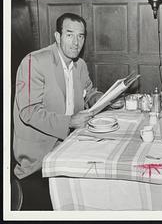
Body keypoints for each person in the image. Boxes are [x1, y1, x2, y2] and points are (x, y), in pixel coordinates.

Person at [13, 13, 102, 210]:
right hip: (39, 161)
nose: (76, 42)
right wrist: (69, 122)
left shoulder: (80, 64)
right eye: (70, 35)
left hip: (72, 145)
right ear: (57, 36)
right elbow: (28, 111)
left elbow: (89, 92)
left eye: (81, 36)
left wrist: (102, 99)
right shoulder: (34, 62)